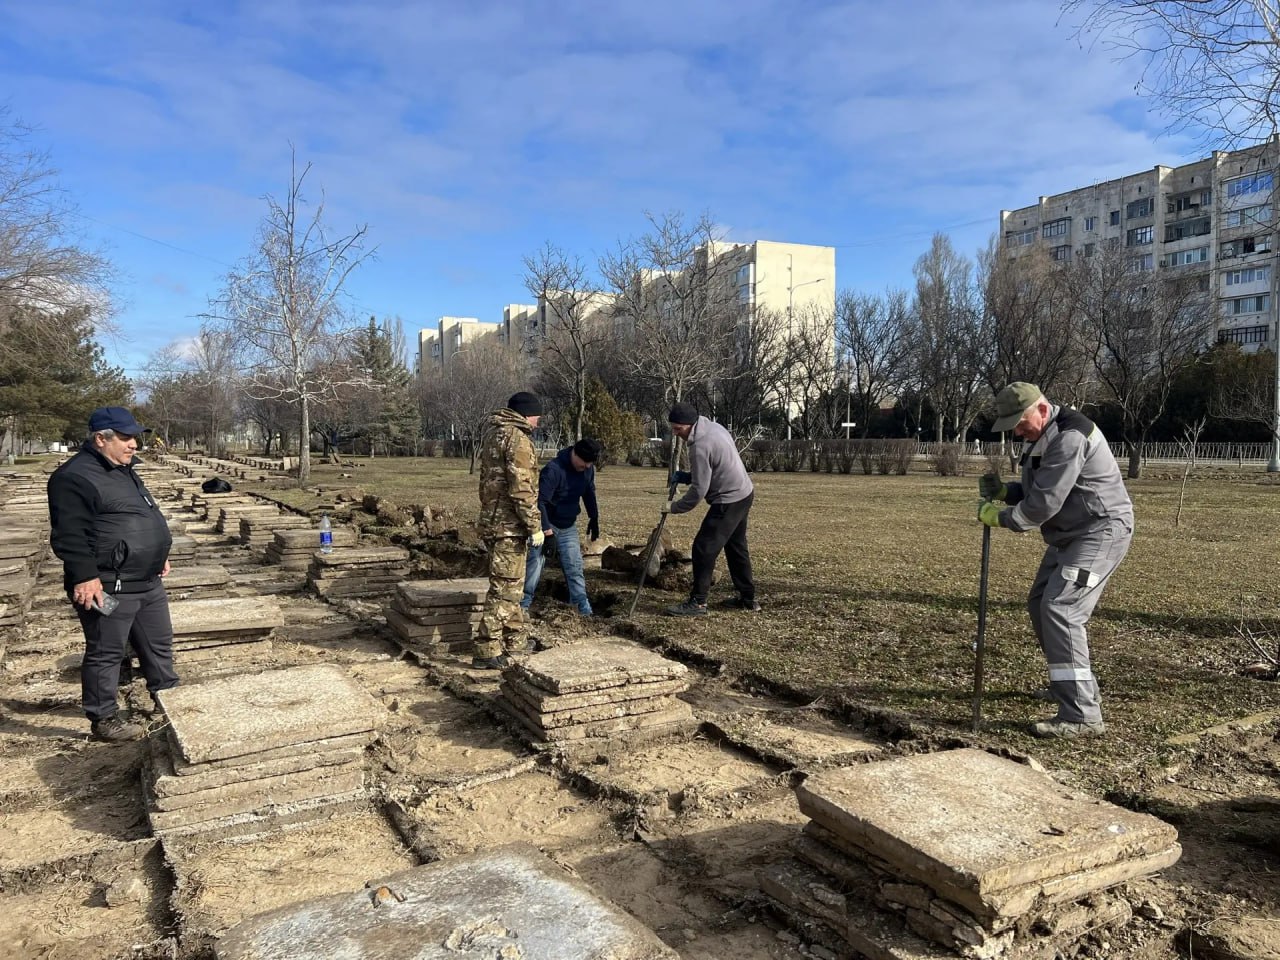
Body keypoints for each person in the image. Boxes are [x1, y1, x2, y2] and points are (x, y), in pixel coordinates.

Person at [978, 382, 1134, 739]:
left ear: (1042, 409)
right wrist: (1006, 491)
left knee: (1062, 608)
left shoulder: (1069, 437)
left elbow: (1044, 504)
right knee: (1040, 603)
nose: (1018, 432)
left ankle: (1082, 714)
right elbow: (1042, 487)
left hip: (1100, 531)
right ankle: (1069, 685)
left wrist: (1000, 517)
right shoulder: (1043, 434)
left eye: (1020, 423)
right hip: (1071, 533)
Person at [47, 407, 178, 742]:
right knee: (106, 652)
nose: (134, 444)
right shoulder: (74, 477)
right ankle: (104, 718)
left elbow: (139, 516)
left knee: (159, 645)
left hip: (146, 580)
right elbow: (69, 535)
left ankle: (168, 698)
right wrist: (84, 577)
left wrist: (158, 553)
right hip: (107, 585)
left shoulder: (124, 470)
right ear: (100, 439)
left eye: (135, 437)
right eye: (125, 437)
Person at [662, 401, 758, 616]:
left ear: (689, 424)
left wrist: (674, 507)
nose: (676, 433)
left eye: (678, 429)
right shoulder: (714, 427)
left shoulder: (700, 446)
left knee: (703, 548)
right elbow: (715, 467)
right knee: (736, 547)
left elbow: (699, 491)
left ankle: (698, 603)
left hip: (728, 499)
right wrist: (687, 476)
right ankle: (747, 599)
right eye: (673, 428)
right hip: (744, 492)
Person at [474, 391, 545, 669]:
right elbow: (521, 490)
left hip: (494, 521)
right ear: (527, 414)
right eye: (537, 416)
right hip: (509, 527)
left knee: (512, 585)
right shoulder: (518, 440)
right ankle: (486, 649)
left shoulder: (495, 434)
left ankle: (515, 639)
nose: (538, 421)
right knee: (505, 590)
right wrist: (534, 525)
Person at [521, 438, 603, 616]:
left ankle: (582, 607)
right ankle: (523, 604)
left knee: (574, 565)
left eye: (590, 464)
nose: (587, 466)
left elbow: (589, 492)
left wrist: (594, 517)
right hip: (545, 524)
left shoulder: (587, 470)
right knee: (535, 563)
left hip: (568, 526)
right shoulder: (553, 470)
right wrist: (547, 533)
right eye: (584, 462)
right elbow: (540, 502)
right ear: (575, 454)